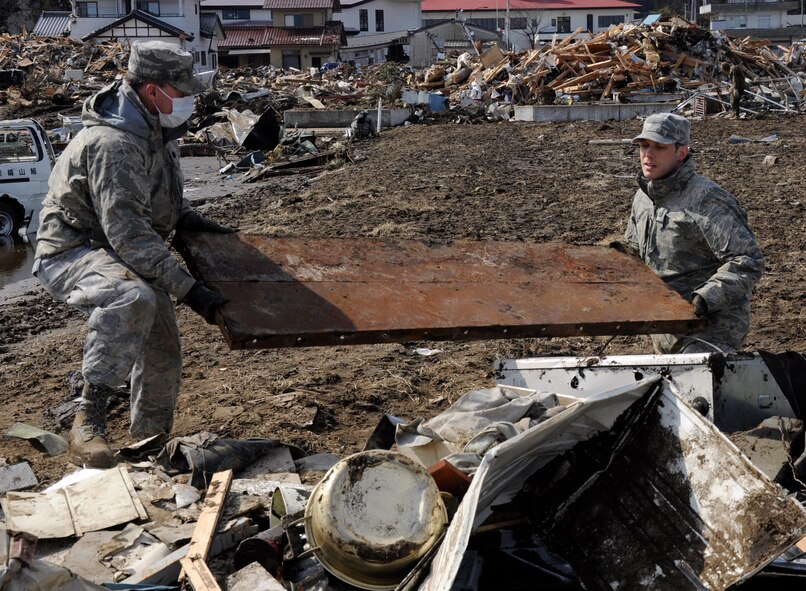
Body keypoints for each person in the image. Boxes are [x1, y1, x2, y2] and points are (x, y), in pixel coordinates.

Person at [33, 40, 235, 468]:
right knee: (133, 298)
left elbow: (157, 197)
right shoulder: (113, 145)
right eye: (181, 92)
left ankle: (150, 441)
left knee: (163, 343)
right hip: (73, 249)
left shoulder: (157, 129)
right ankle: (88, 419)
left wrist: (189, 219)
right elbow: (131, 238)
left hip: (120, 248)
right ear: (152, 90)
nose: (189, 101)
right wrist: (190, 290)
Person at [623, 112, 764, 354]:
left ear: (681, 152)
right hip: (665, 325)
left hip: (710, 329)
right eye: (644, 145)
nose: (648, 154)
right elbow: (635, 250)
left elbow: (748, 260)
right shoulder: (644, 197)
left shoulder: (706, 199)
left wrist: (707, 298)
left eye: (659, 147)